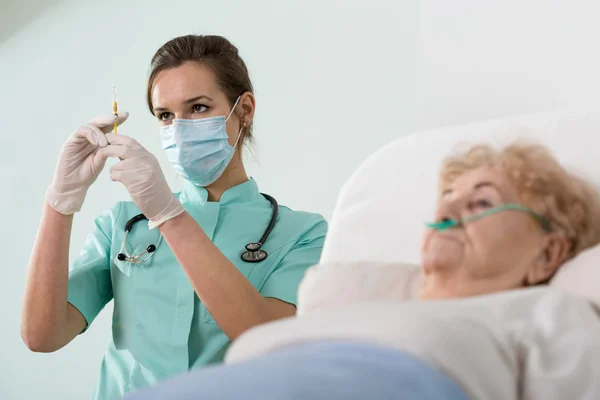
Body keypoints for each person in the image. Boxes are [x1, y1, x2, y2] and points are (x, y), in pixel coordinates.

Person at [123, 142, 600, 400]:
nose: (449, 212)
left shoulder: (547, 312)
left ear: (548, 252)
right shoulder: (348, 308)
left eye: (481, 202)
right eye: (446, 200)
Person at [20, 34, 327, 400]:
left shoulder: (302, 234)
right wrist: (60, 201)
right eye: (166, 115)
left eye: (198, 108)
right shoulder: (123, 224)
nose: (178, 128)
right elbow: (42, 335)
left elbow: (265, 341)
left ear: (244, 109)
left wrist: (168, 214)